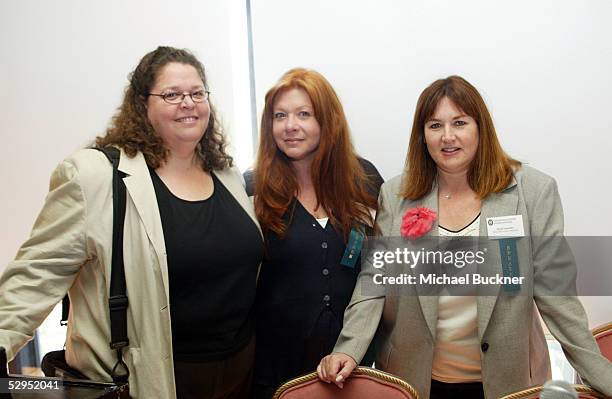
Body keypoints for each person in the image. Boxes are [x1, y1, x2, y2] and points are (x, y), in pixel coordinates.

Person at [318, 76, 612, 398]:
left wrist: (602, 377)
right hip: (415, 380)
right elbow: (373, 282)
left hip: (507, 383)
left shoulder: (533, 192)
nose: (448, 137)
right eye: (434, 125)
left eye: (459, 123)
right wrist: (348, 349)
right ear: (422, 136)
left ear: (480, 127)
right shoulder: (396, 195)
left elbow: (557, 296)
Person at [0, 46, 263, 399]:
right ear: (142, 104)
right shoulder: (95, 177)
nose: (188, 103)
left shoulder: (226, 175)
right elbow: (35, 275)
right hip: (150, 382)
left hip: (239, 374)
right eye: (171, 94)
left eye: (197, 93)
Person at [244, 68, 384, 399]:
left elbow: (378, 272)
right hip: (277, 372)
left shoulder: (363, 182)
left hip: (354, 366)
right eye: (280, 116)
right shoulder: (252, 191)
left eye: (304, 114)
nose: (290, 125)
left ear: (328, 120)